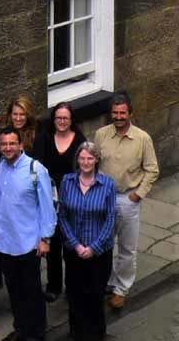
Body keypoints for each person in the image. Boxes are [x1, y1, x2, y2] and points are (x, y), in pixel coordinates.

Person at [0, 128, 57, 341]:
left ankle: (36, 334)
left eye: (12, 144)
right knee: (14, 290)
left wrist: (45, 238)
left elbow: (47, 205)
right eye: (3, 144)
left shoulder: (35, 169)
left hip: (28, 243)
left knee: (32, 292)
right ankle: (21, 328)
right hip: (6, 242)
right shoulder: (0, 167)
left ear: (21, 145)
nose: (8, 148)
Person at [95, 93, 159, 309]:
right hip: (103, 198)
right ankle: (104, 282)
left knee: (126, 248)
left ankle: (120, 288)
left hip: (127, 198)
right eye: (115, 112)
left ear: (130, 113)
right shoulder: (101, 135)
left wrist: (137, 194)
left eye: (123, 112)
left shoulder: (143, 139)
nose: (119, 116)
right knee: (102, 244)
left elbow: (152, 170)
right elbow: (92, 164)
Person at [59, 141, 116, 341]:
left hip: (99, 252)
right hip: (74, 250)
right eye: (82, 158)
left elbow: (110, 220)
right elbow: (63, 216)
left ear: (96, 160)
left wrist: (94, 247)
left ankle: (96, 333)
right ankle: (77, 332)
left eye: (90, 158)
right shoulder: (67, 182)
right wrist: (76, 245)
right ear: (77, 160)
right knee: (75, 295)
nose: (85, 162)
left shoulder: (108, 184)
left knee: (95, 294)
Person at [33, 102, 86, 302]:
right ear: (53, 120)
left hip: (72, 200)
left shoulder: (80, 140)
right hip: (50, 200)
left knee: (71, 245)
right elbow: (38, 168)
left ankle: (73, 285)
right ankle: (54, 285)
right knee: (52, 244)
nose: (62, 121)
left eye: (65, 118)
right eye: (58, 118)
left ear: (71, 120)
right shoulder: (45, 139)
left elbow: (85, 169)